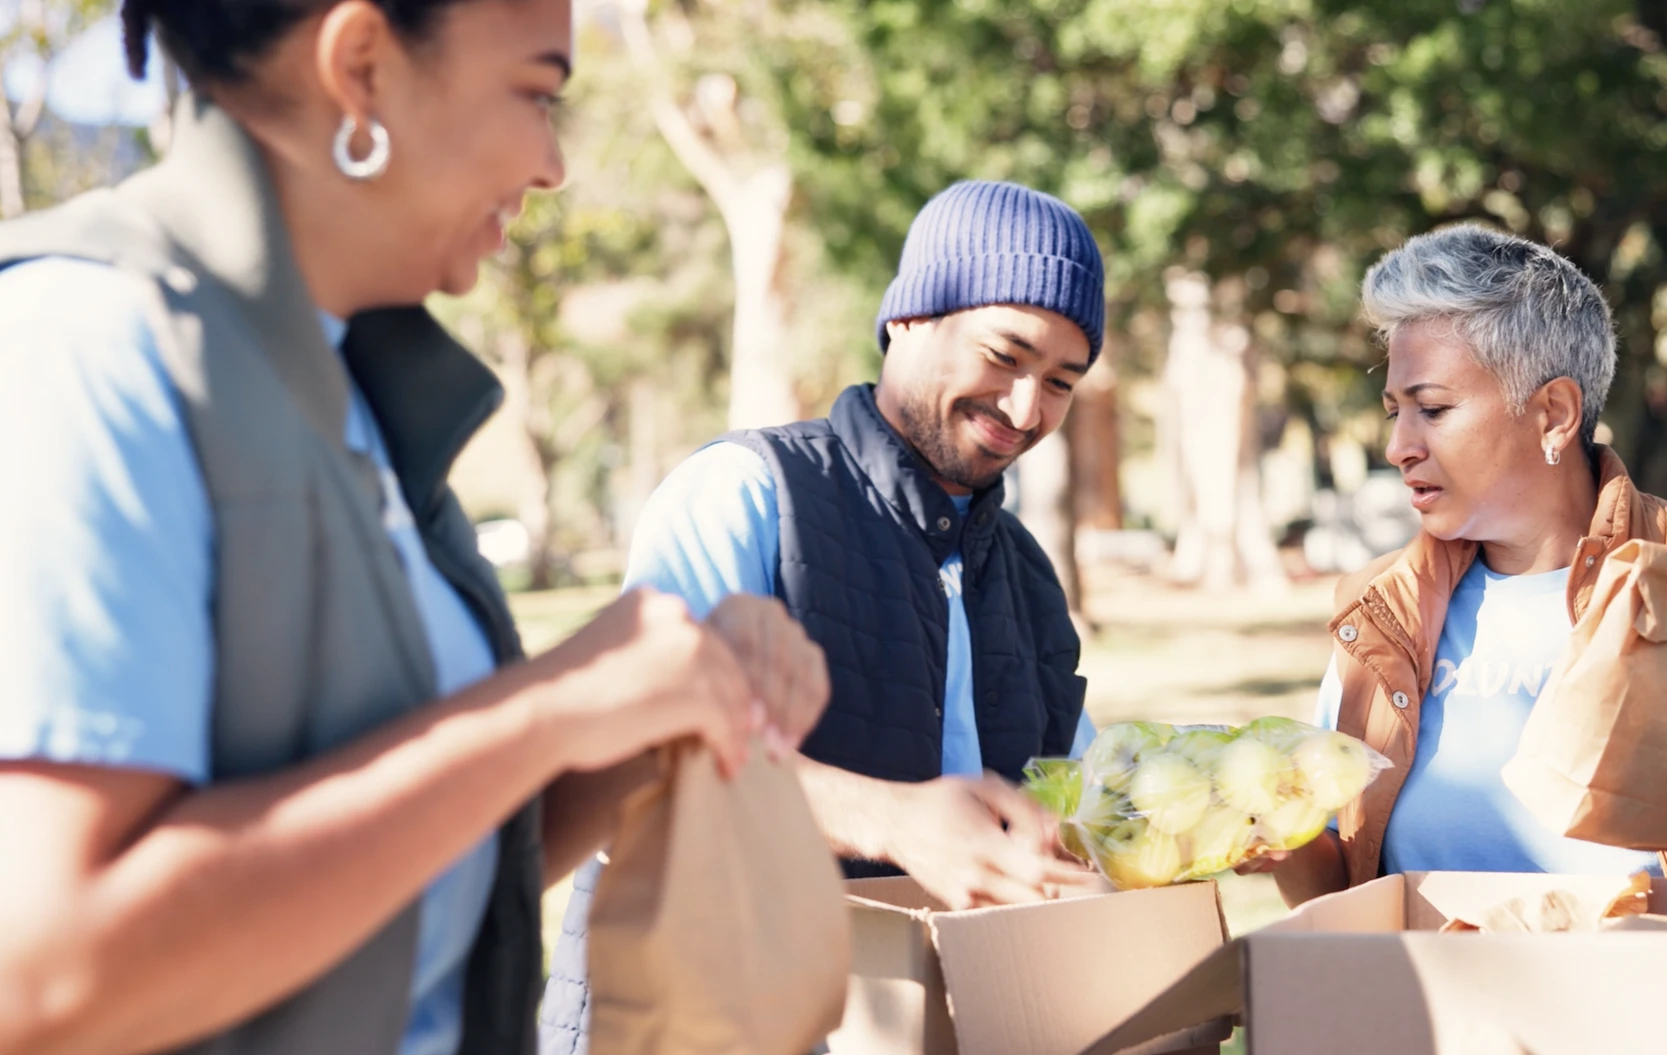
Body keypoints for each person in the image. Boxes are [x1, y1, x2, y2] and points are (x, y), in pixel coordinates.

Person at [0, 3, 829, 1054]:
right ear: (360, 66)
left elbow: (446, 845)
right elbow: (44, 972)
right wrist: (550, 704)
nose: (554, 164)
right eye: (536, 92)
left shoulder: (356, 390)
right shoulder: (84, 353)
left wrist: (651, 706)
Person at [540, 180, 1104, 1054]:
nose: (1027, 409)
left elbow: (1073, 796)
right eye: (1005, 355)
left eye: (1061, 383)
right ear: (911, 318)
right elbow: (630, 768)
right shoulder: (745, 493)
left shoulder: (1028, 573)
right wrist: (894, 820)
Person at [1251, 224, 1667, 908]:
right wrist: (1275, 831)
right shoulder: (1379, 613)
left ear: (1554, 413)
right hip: (1433, 1014)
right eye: (1394, 412)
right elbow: (1339, 895)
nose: (1398, 446)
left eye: (1432, 409)